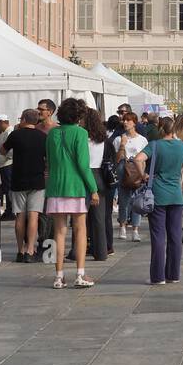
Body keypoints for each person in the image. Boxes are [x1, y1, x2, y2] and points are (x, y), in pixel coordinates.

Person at [44, 97, 99, 289]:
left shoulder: (52, 134)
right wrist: (93, 188)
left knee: (59, 231)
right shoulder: (80, 133)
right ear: (79, 116)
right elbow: (83, 165)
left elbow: (49, 162)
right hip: (75, 187)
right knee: (80, 229)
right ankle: (80, 274)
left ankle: (58, 276)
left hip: (55, 186)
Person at [148, 115, 183, 283]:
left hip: (158, 193)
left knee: (158, 237)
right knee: (175, 236)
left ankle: (158, 277)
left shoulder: (155, 145)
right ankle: (173, 274)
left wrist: (145, 175)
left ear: (160, 128)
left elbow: (138, 158)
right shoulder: (181, 146)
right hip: (176, 194)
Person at [2, 109, 46, 262]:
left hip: (18, 179)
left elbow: (2, 150)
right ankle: (30, 250)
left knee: (20, 216)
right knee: (34, 216)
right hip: (38, 180)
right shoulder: (43, 136)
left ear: (24, 119)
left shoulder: (15, 135)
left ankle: (20, 250)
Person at [82, 106, 115, 262]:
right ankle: (101, 251)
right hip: (101, 177)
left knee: (80, 217)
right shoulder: (104, 140)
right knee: (99, 218)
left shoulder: (82, 138)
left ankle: (78, 250)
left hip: (85, 175)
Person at [116, 111, 149, 241]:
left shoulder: (142, 140)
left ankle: (135, 229)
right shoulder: (119, 139)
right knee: (123, 201)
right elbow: (117, 159)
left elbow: (145, 159)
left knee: (137, 202)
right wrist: (122, 145)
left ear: (134, 122)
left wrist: (142, 174)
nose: (125, 122)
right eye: (124, 120)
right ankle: (122, 226)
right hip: (123, 172)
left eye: (128, 120)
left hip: (137, 172)